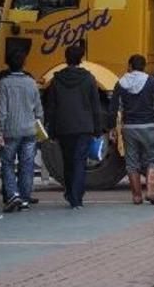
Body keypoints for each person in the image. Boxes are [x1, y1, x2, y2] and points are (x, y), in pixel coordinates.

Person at [46, 43, 102, 210]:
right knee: (79, 162)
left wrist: (52, 129)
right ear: (81, 59)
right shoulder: (89, 78)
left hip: (64, 126)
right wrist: (97, 128)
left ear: (66, 58)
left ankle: (70, 193)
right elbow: (95, 105)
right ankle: (76, 198)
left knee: (68, 161)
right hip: (84, 126)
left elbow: (52, 107)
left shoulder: (56, 79)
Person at [110, 54, 154, 205]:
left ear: (130, 66)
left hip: (129, 128)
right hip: (148, 126)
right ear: (144, 66)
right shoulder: (151, 81)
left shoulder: (121, 83)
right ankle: (152, 192)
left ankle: (136, 196)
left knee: (132, 162)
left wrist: (112, 128)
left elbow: (113, 108)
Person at [0, 50, 43, 213]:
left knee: (7, 163)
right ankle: (24, 200)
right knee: (27, 165)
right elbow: (39, 110)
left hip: (10, 131)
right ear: (24, 64)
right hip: (30, 130)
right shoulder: (31, 83)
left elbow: (1, 110)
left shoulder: (4, 83)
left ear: (8, 64)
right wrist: (39, 128)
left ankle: (13, 195)